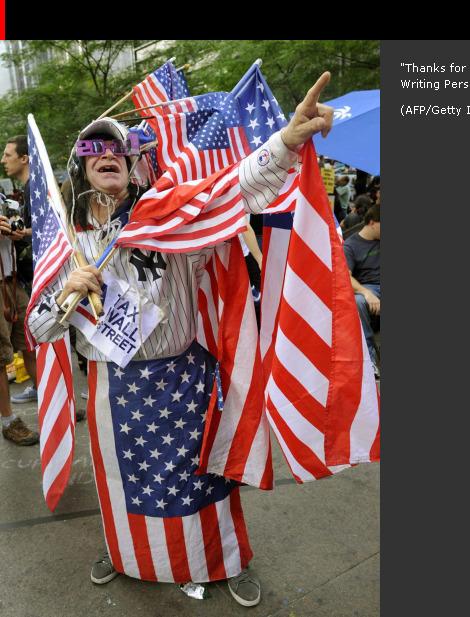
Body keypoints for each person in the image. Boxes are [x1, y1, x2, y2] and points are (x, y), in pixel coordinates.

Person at [27, 72, 334, 607]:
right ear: (80, 166)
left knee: (204, 480)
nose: (109, 153)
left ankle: (228, 560)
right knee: (119, 485)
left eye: (119, 146)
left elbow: (237, 188)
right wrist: (64, 295)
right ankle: (123, 552)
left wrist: (287, 141)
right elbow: (38, 329)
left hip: (182, 376)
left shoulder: (170, 216)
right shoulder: (68, 247)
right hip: (109, 387)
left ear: (133, 159)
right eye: (93, 146)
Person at [0, 136, 38, 406]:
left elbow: (20, 229)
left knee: (29, 342)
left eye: (7, 154)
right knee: (2, 356)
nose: (3, 160)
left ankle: (45, 393)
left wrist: (15, 231)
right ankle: (8, 421)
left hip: (14, 282)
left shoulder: (11, 198)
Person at [343, 204, 380, 378]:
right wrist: (366, 293)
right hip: (369, 288)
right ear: (372, 222)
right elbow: (346, 277)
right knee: (358, 301)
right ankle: (370, 358)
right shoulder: (350, 245)